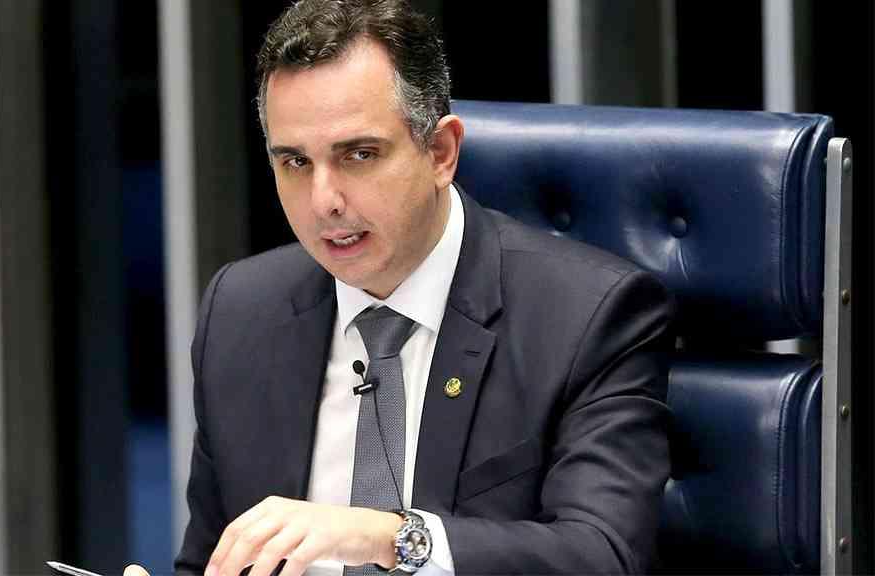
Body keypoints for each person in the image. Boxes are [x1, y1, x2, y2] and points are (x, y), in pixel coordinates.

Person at [171, 0, 675, 574]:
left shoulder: (586, 317)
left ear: (440, 152)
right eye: (295, 163)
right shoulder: (241, 310)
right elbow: (210, 560)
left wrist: (393, 537)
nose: (323, 201)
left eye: (359, 155)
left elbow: (604, 555)